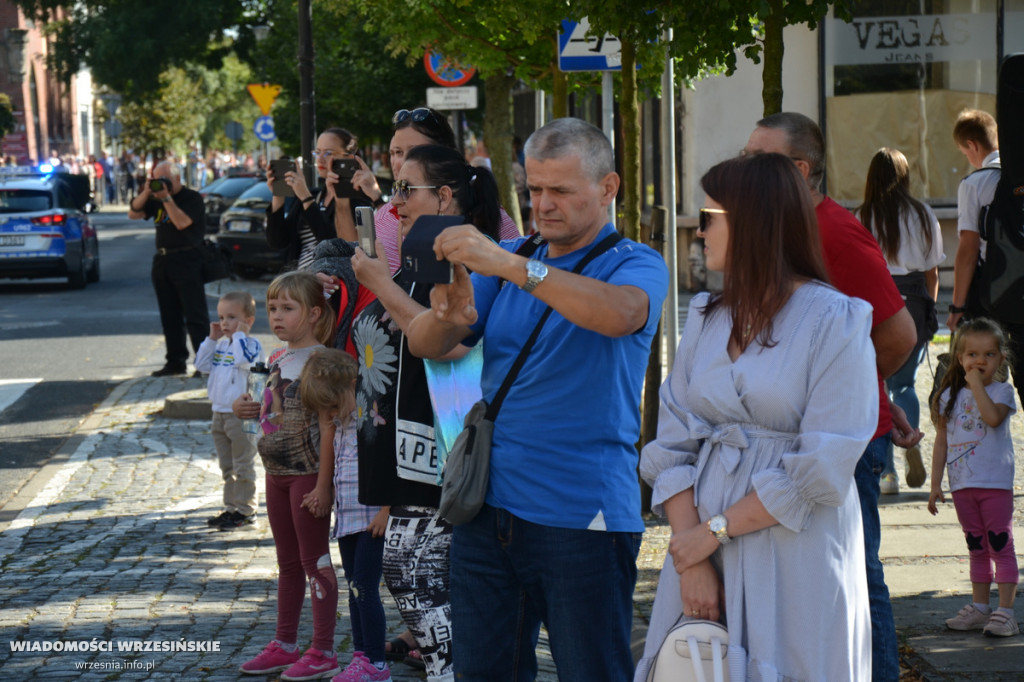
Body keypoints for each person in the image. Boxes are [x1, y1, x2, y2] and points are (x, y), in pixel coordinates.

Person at [405, 118, 668, 682]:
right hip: (488, 511)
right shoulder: (512, 256)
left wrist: (511, 266)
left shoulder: (633, 262)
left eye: (561, 191)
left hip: (583, 518)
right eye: (534, 191)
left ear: (608, 187)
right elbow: (426, 343)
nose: (544, 205)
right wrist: (448, 317)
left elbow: (621, 314)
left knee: (591, 671)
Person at [636, 152, 874, 680]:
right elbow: (671, 442)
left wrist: (712, 532)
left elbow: (824, 465)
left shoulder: (837, 320)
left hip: (793, 552)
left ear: (753, 222)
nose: (699, 232)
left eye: (709, 216)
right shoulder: (704, 315)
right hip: (699, 547)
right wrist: (693, 554)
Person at [744, 112, 917, 682]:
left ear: (798, 170)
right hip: (801, 441)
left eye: (758, 159)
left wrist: (852, 395)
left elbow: (899, 335)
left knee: (858, 580)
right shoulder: (780, 228)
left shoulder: (835, 231)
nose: (744, 169)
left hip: (845, 445)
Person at [348, 143, 505, 682]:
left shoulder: (469, 261)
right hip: (405, 466)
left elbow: (452, 343)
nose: (393, 205)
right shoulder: (415, 262)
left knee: (426, 585)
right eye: (392, 191)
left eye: (403, 190)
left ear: (443, 196)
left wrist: (380, 286)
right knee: (409, 581)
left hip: (447, 462)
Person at [232, 271, 341, 681]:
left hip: (306, 475)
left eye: (287, 309)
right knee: (287, 563)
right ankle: (285, 642)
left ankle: (324, 649)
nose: (277, 317)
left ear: (313, 313)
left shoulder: (322, 362)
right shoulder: (274, 359)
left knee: (315, 561)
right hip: (275, 473)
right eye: (273, 309)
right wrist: (246, 408)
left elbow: (330, 427)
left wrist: (323, 486)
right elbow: (264, 420)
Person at [299, 348, 392, 681]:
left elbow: (391, 466)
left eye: (333, 404)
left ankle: (377, 664)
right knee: (354, 587)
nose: (330, 413)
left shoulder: (374, 417)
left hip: (371, 519)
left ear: (353, 385)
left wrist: (386, 510)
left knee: (365, 588)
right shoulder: (339, 422)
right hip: (349, 517)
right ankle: (361, 654)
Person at [857, 147, 945, 494]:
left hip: (875, 303)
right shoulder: (923, 214)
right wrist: (929, 311)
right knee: (906, 385)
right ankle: (911, 439)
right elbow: (932, 272)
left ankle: (887, 472)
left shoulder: (861, 217)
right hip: (913, 302)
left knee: (876, 386)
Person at [347, 107, 520, 275]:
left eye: (416, 152)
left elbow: (520, 277)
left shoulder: (486, 212)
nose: (404, 161)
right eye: (396, 152)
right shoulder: (386, 214)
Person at [929, 317, 1019, 637]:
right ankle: (981, 607)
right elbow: (942, 441)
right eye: (972, 355)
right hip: (963, 486)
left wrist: (977, 385)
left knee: (1000, 545)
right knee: (976, 546)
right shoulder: (948, 397)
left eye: (989, 354)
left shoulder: (1002, 392)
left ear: (1001, 359)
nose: (980, 361)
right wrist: (935, 484)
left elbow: (992, 419)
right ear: (960, 358)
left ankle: (1005, 612)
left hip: (994, 484)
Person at [946, 109, 1024, 409]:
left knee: (984, 372)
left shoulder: (975, 184)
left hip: (989, 291)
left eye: (964, 152)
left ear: (972, 145)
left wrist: (957, 307)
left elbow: (968, 248)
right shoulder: (1018, 174)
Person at [128, 160, 210, 377]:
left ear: (177, 178)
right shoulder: (155, 197)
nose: (160, 183)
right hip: (163, 260)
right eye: (156, 179)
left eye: (164, 179)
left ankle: (203, 364)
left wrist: (166, 198)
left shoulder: (192, 198)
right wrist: (147, 192)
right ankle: (175, 362)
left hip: (188, 259)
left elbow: (181, 222)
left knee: (195, 316)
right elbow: (134, 213)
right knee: (169, 316)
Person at [195, 291, 265, 531]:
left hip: (242, 416)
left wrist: (239, 336)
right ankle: (232, 507)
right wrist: (212, 339)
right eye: (221, 317)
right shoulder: (221, 344)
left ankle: (247, 510)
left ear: (249, 321)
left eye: (231, 317)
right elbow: (201, 365)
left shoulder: (251, 345)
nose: (224, 323)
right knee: (227, 466)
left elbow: (244, 361)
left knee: (242, 464)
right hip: (219, 413)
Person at [266, 127, 362, 271]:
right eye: (318, 152)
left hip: (331, 283)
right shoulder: (316, 195)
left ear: (348, 158)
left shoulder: (357, 198)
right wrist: (278, 197)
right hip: (300, 283)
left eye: (329, 153)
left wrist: (305, 197)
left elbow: (333, 245)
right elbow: (278, 241)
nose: (321, 159)